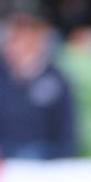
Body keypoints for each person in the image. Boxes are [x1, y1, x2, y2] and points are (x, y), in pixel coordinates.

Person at [0, 6, 77, 159]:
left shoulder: (56, 81)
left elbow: (66, 135)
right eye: (11, 40)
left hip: (41, 160)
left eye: (19, 40)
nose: (12, 46)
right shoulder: (3, 77)